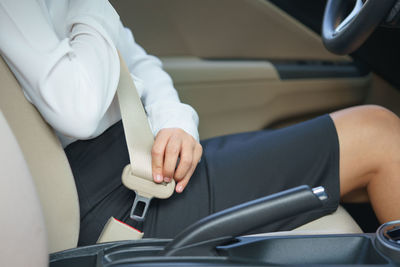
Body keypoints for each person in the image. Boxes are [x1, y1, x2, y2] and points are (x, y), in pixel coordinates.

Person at [1, 0, 399, 246]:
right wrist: (91, 6)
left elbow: (135, 60)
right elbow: (77, 109)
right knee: (377, 135)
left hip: (141, 160)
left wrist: (175, 122)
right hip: (114, 207)